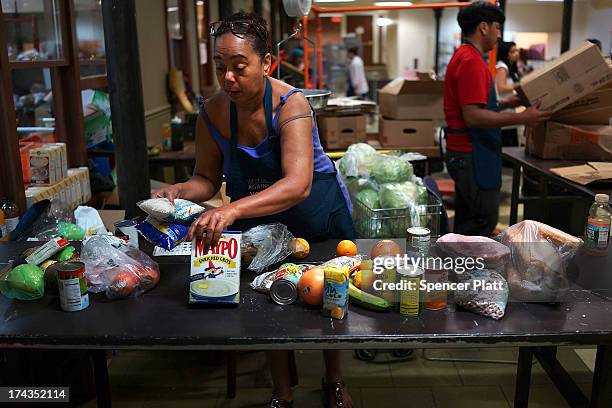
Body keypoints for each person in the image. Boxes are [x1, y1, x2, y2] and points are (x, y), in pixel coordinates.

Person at [152, 12, 355, 408]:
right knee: (267, 304)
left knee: (329, 296)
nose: (228, 77)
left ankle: (334, 382)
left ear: (266, 63)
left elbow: (297, 183)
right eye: (220, 67)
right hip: (262, 219)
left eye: (239, 67)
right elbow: (207, 179)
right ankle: (281, 393)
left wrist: (230, 212)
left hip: (318, 214)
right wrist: (181, 191)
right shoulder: (212, 112)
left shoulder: (290, 105)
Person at [444, 2, 552, 237]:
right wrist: (523, 116)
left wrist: (507, 103)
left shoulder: (469, 56)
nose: (499, 34)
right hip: (472, 154)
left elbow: (476, 104)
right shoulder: (471, 61)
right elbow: (472, 116)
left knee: (470, 219)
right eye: (497, 28)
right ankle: (468, 273)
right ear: (484, 27)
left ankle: (459, 270)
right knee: (481, 220)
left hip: (472, 154)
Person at [495, 40, 522, 146]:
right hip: (503, 109)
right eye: (512, 52)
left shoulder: (512, 67)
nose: (516, 54)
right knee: (507, 144)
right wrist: (518, 87)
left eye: (517, 51)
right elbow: (500, 87)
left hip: (510, 109)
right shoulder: (502, 66)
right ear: (505, 53)